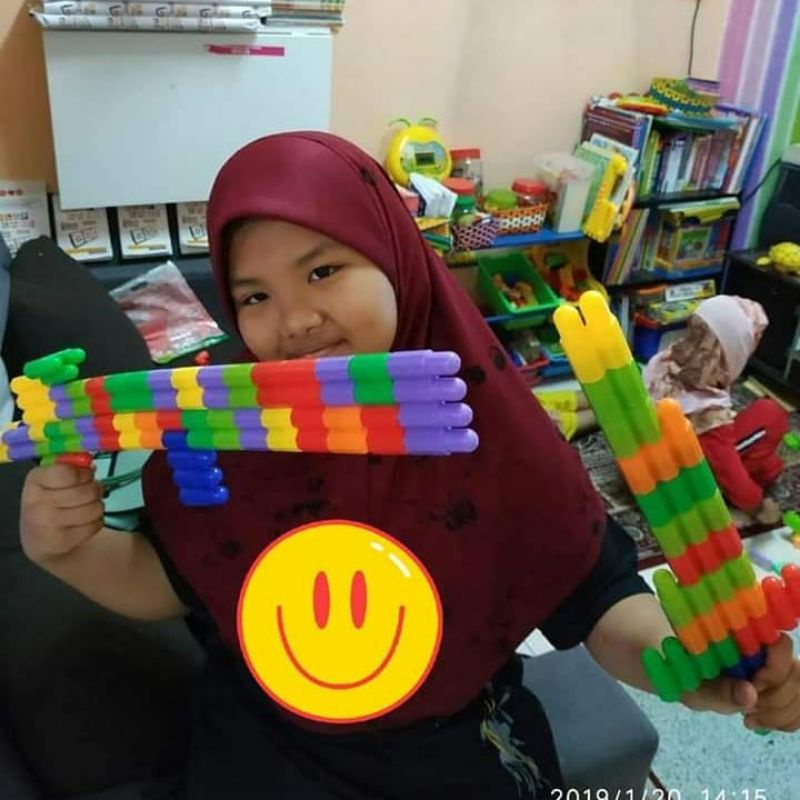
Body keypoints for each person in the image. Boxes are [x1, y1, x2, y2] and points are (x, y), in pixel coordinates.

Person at [19, 134, 800, 799]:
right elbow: (179, 581)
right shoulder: (225, 431)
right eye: (253, 296)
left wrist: (685, 665)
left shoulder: (494, 426)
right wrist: (69, 550)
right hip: (267, 749)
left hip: (448, 748)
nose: (294, 321)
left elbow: (598, 598)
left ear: (396, 258)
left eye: (322, 271)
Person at [645, 296, 789, 527]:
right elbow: (727, 469)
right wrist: (758, 507)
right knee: (771, 415)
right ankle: (713, 509)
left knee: (770, 465)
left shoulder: (664, 360)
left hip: (651, 459)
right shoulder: (707, 410)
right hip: (681, 480)